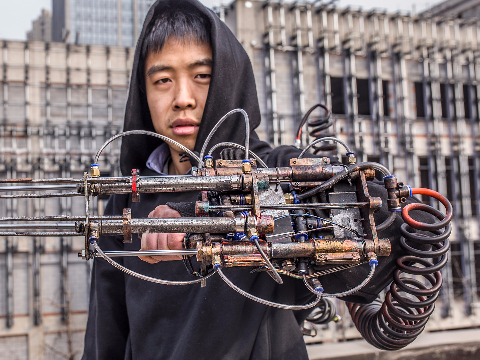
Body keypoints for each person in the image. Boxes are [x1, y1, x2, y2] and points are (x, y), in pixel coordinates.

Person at [82, 1, 422, 358]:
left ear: (230, 78)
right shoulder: (125, 201)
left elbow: (390, 230)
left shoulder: (275, 173)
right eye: (163, 80)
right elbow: (105, 335)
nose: (182, 99)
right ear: (143, 93)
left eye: (202, 76)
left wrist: (203, 220)